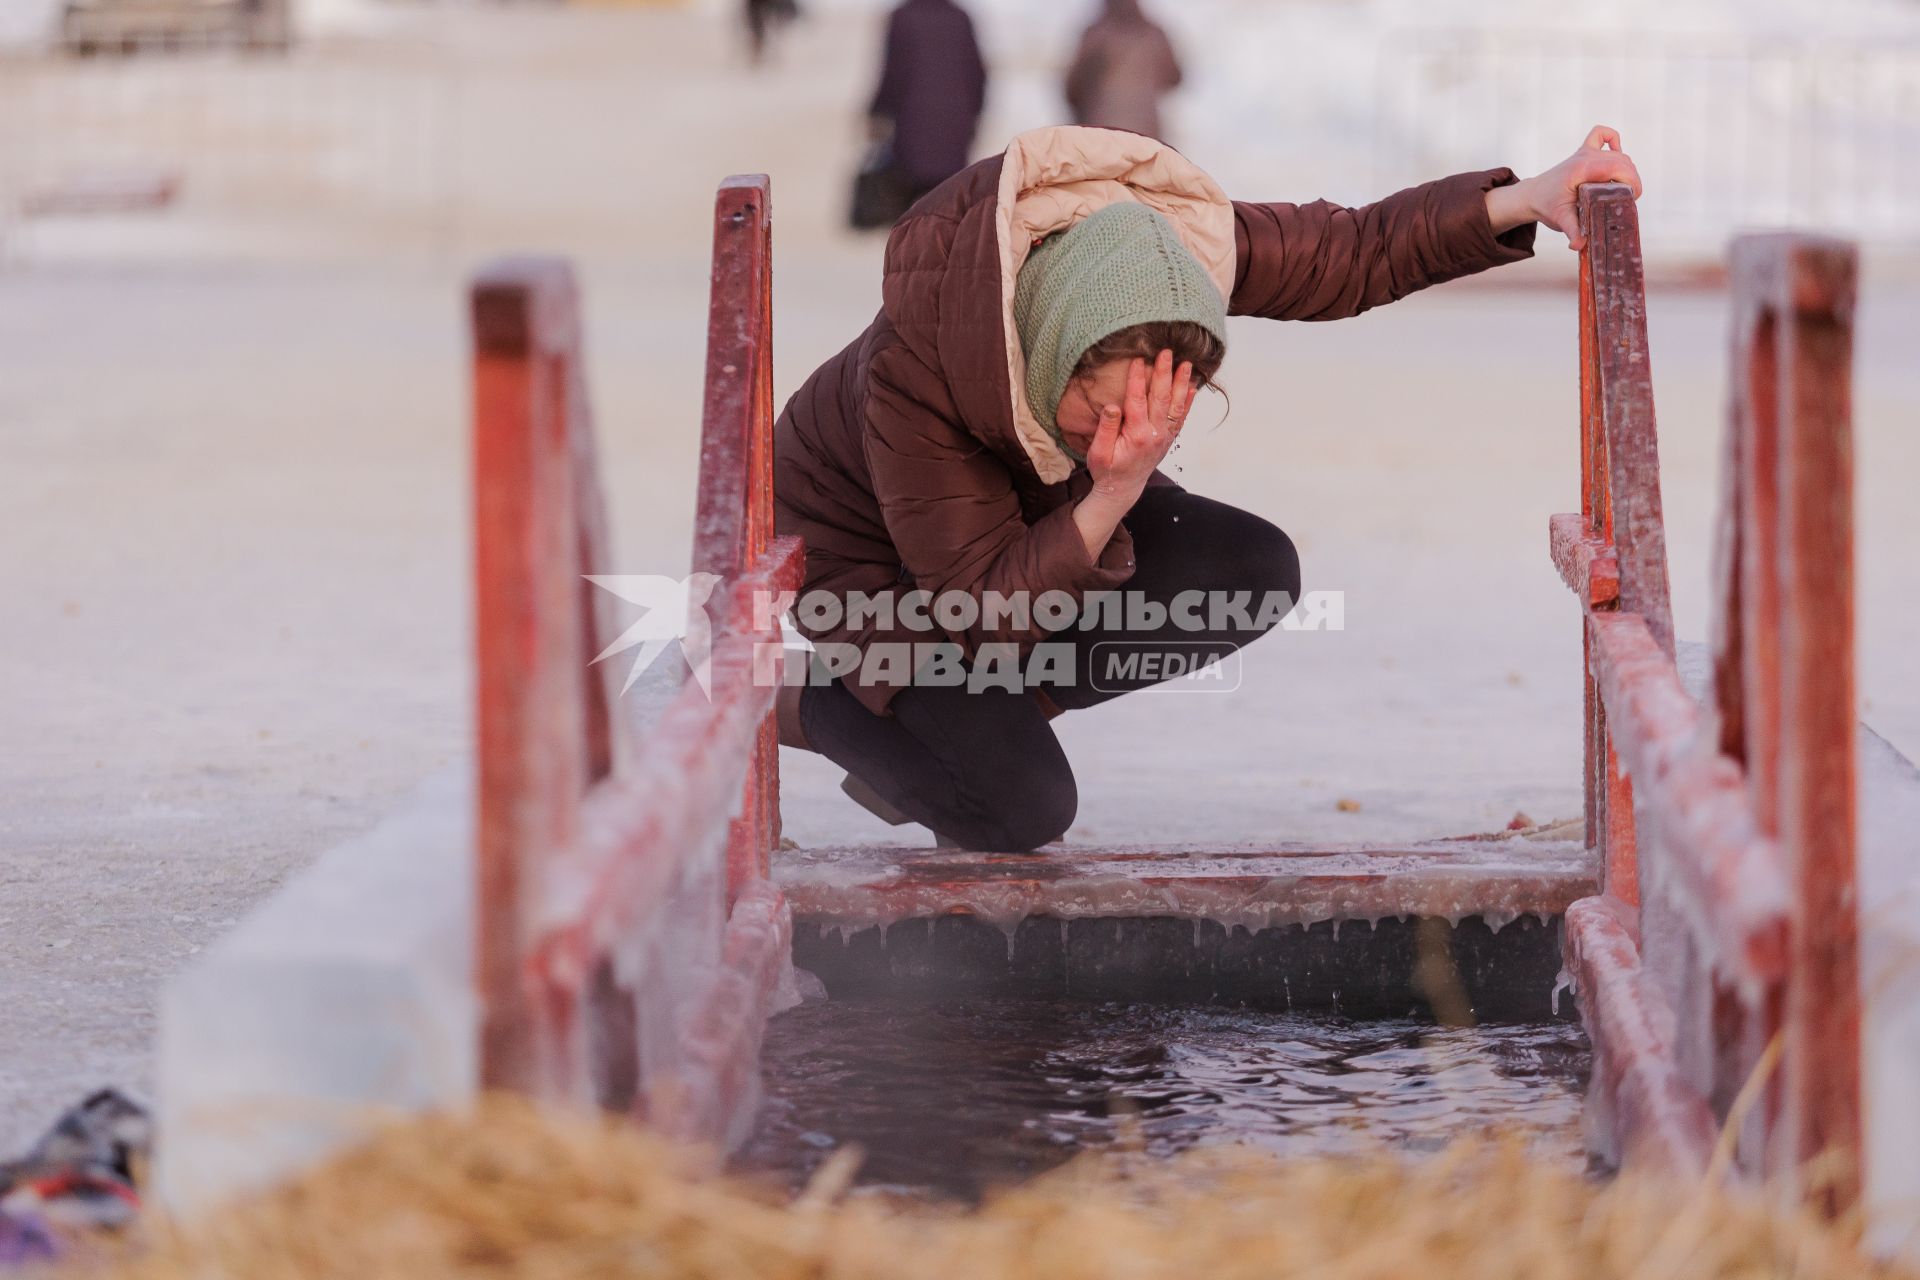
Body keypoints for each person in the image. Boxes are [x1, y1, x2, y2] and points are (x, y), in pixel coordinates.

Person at [773, 124, 1643, 852]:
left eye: (1150, 411)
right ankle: (821, 704)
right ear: (1050, 351)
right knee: (1020, 809)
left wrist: (1528, 195)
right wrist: (1110, 491)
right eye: (1098, 409)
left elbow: (1354, 252)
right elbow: (979, 610)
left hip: (1021, 515)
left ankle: (963, 731)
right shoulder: (916, 377)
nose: (1119, 433)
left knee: (1249, 568)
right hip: (875, 564)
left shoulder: (1157, 260)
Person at [866, 0, 988, 204]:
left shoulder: (902, 18)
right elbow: (977, 75)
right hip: (954, 126)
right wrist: (974, 116)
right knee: (948, 206)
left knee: (911, 210)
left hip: (912, 126)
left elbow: (892, 73)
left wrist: (877, 111)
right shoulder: (960, 18)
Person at [1064, 0, 1181, 141]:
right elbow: (1176, 77)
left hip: (1102, 132)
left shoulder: (1096, 35)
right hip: (1145, 134)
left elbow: (1072, 90)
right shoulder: (1153, 34)